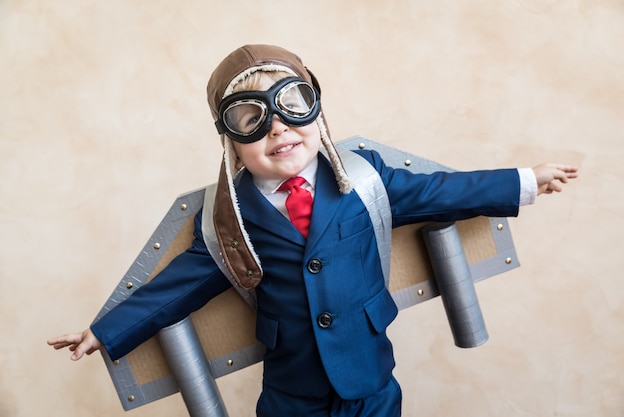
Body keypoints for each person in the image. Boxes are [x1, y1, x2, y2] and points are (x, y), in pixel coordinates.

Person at [48, 44, 578, 417]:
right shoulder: (229, 219)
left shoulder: (365, 178)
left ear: (317, 113)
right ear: (230, 141)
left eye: (292, 105)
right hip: (290, 393)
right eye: (251, 119)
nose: (277, 127)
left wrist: (525, 179)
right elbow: (178, 285)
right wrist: (105, 331)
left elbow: (441, 191)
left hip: (371, 384)